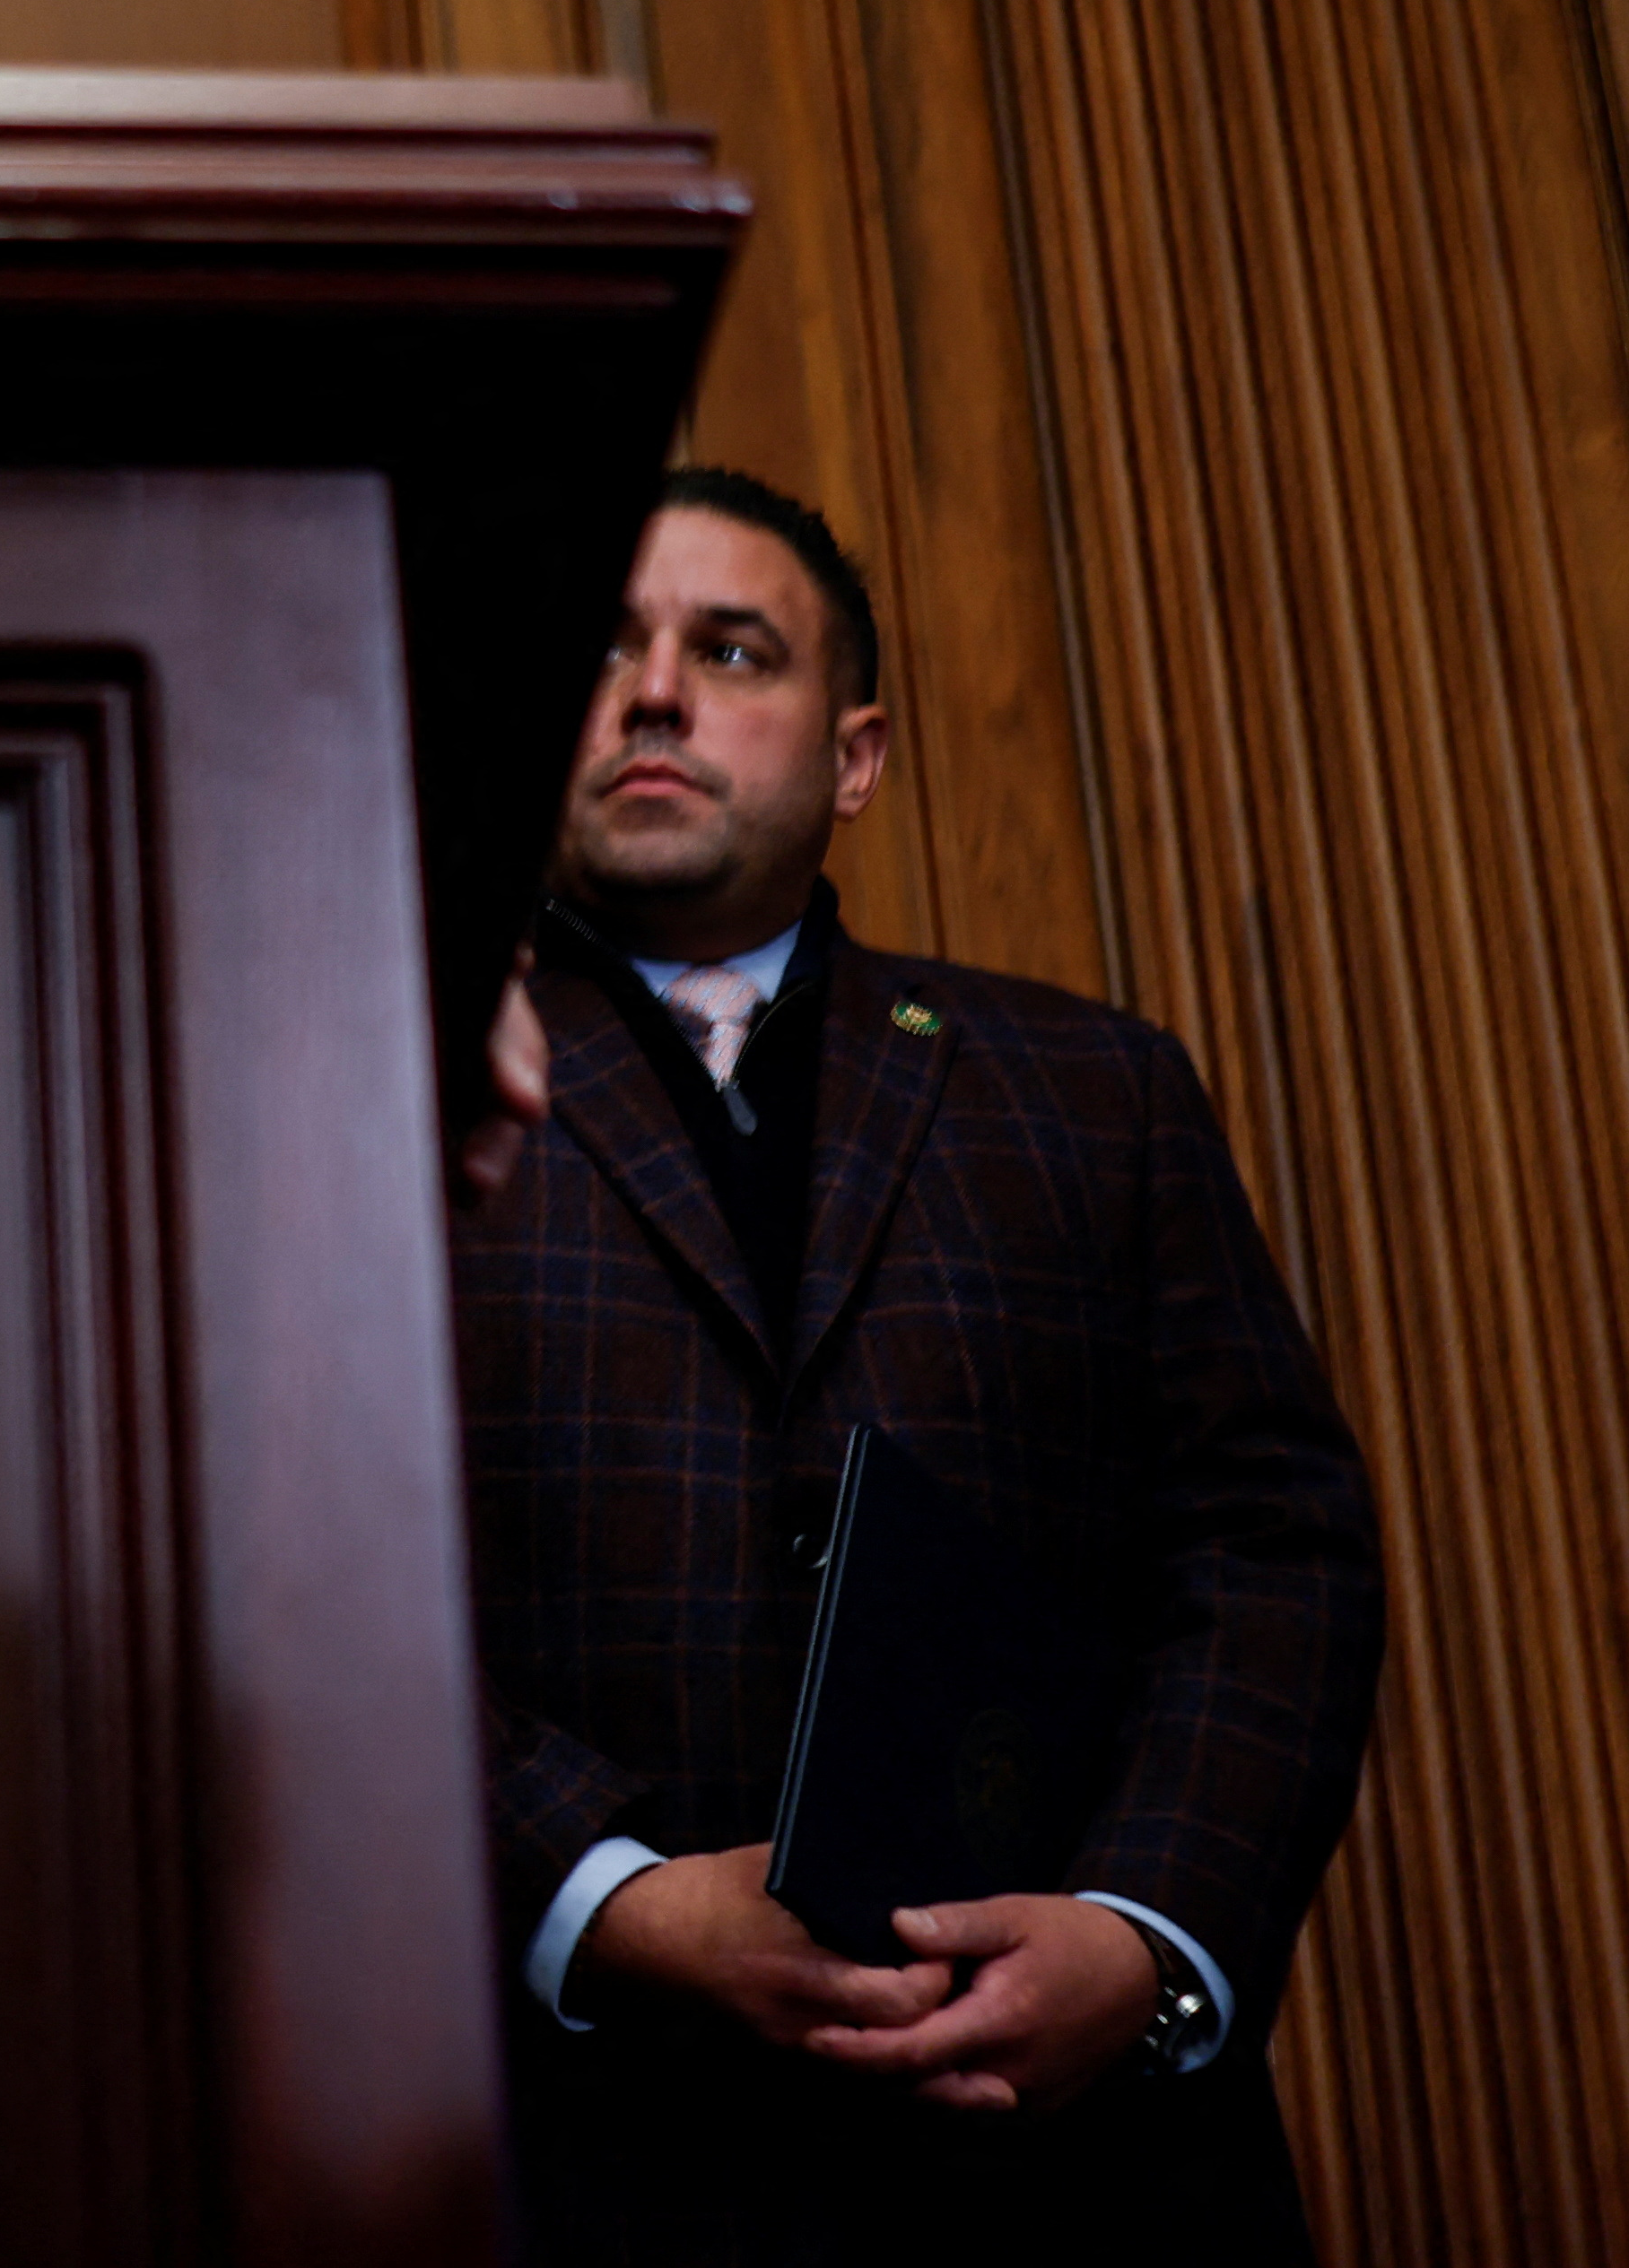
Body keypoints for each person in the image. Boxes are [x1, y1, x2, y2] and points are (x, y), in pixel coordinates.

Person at [456, 468, 1381, 2264]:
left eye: (731, 649)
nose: (656, 691)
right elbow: (285, 1579)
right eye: (606, 650)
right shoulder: (382, 1082)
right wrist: (612, 1898)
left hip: (1074, 2180)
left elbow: (1272, 1554)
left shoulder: (1093, 1088)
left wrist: (1141, 1924)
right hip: (572, 2154)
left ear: (855, 756)